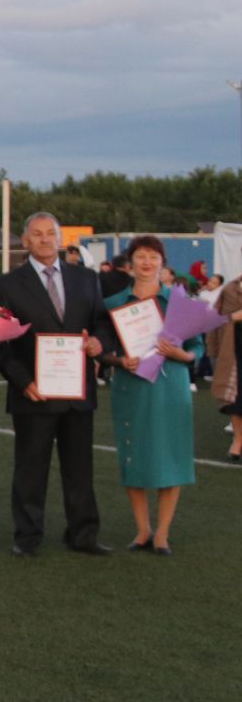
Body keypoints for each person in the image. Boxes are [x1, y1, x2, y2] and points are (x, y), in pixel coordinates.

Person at [0, 212, 114, 557]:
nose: (45, 240)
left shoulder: (86, 278)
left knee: (80, 469)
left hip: (77, 392)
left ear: (60, 239)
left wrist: (99, 344)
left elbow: (101, 324)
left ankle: (83, 535)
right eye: (37, 234)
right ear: (25, 241)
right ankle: (27, 537)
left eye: (50, 234)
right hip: (34, 392)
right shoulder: (7, 284)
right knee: (30, 468)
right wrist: (22, 380)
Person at [104, 236, 203, 555]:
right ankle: (142, 530)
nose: (146, 262)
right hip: (131, 386)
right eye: (140, 256)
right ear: (130, 264)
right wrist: (119, 360)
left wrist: (180, 354)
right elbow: (104, 350)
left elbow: (197, 348)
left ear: (163, 262)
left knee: (169, 456)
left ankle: (162, 532)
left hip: (170, 387)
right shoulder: (114, 302)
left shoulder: (178, 301)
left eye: (153, 256)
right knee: (133, 456)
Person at [207, 272, 242, 461]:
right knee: (235, 399)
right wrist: (234, 316)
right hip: (234, 350)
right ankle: (238, 440)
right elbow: (216, 318)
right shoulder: (230, 288)